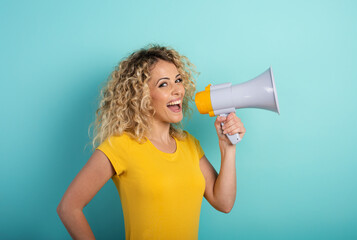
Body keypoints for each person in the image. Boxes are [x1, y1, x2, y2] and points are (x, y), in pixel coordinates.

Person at [57, 44, 246, 240]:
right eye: (164, 84)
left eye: (178, 80)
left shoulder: (189, 144)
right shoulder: (121, 146)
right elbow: (69, 207)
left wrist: (228, 148)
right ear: (141, 96)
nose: (178, 91)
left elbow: (223, 202)